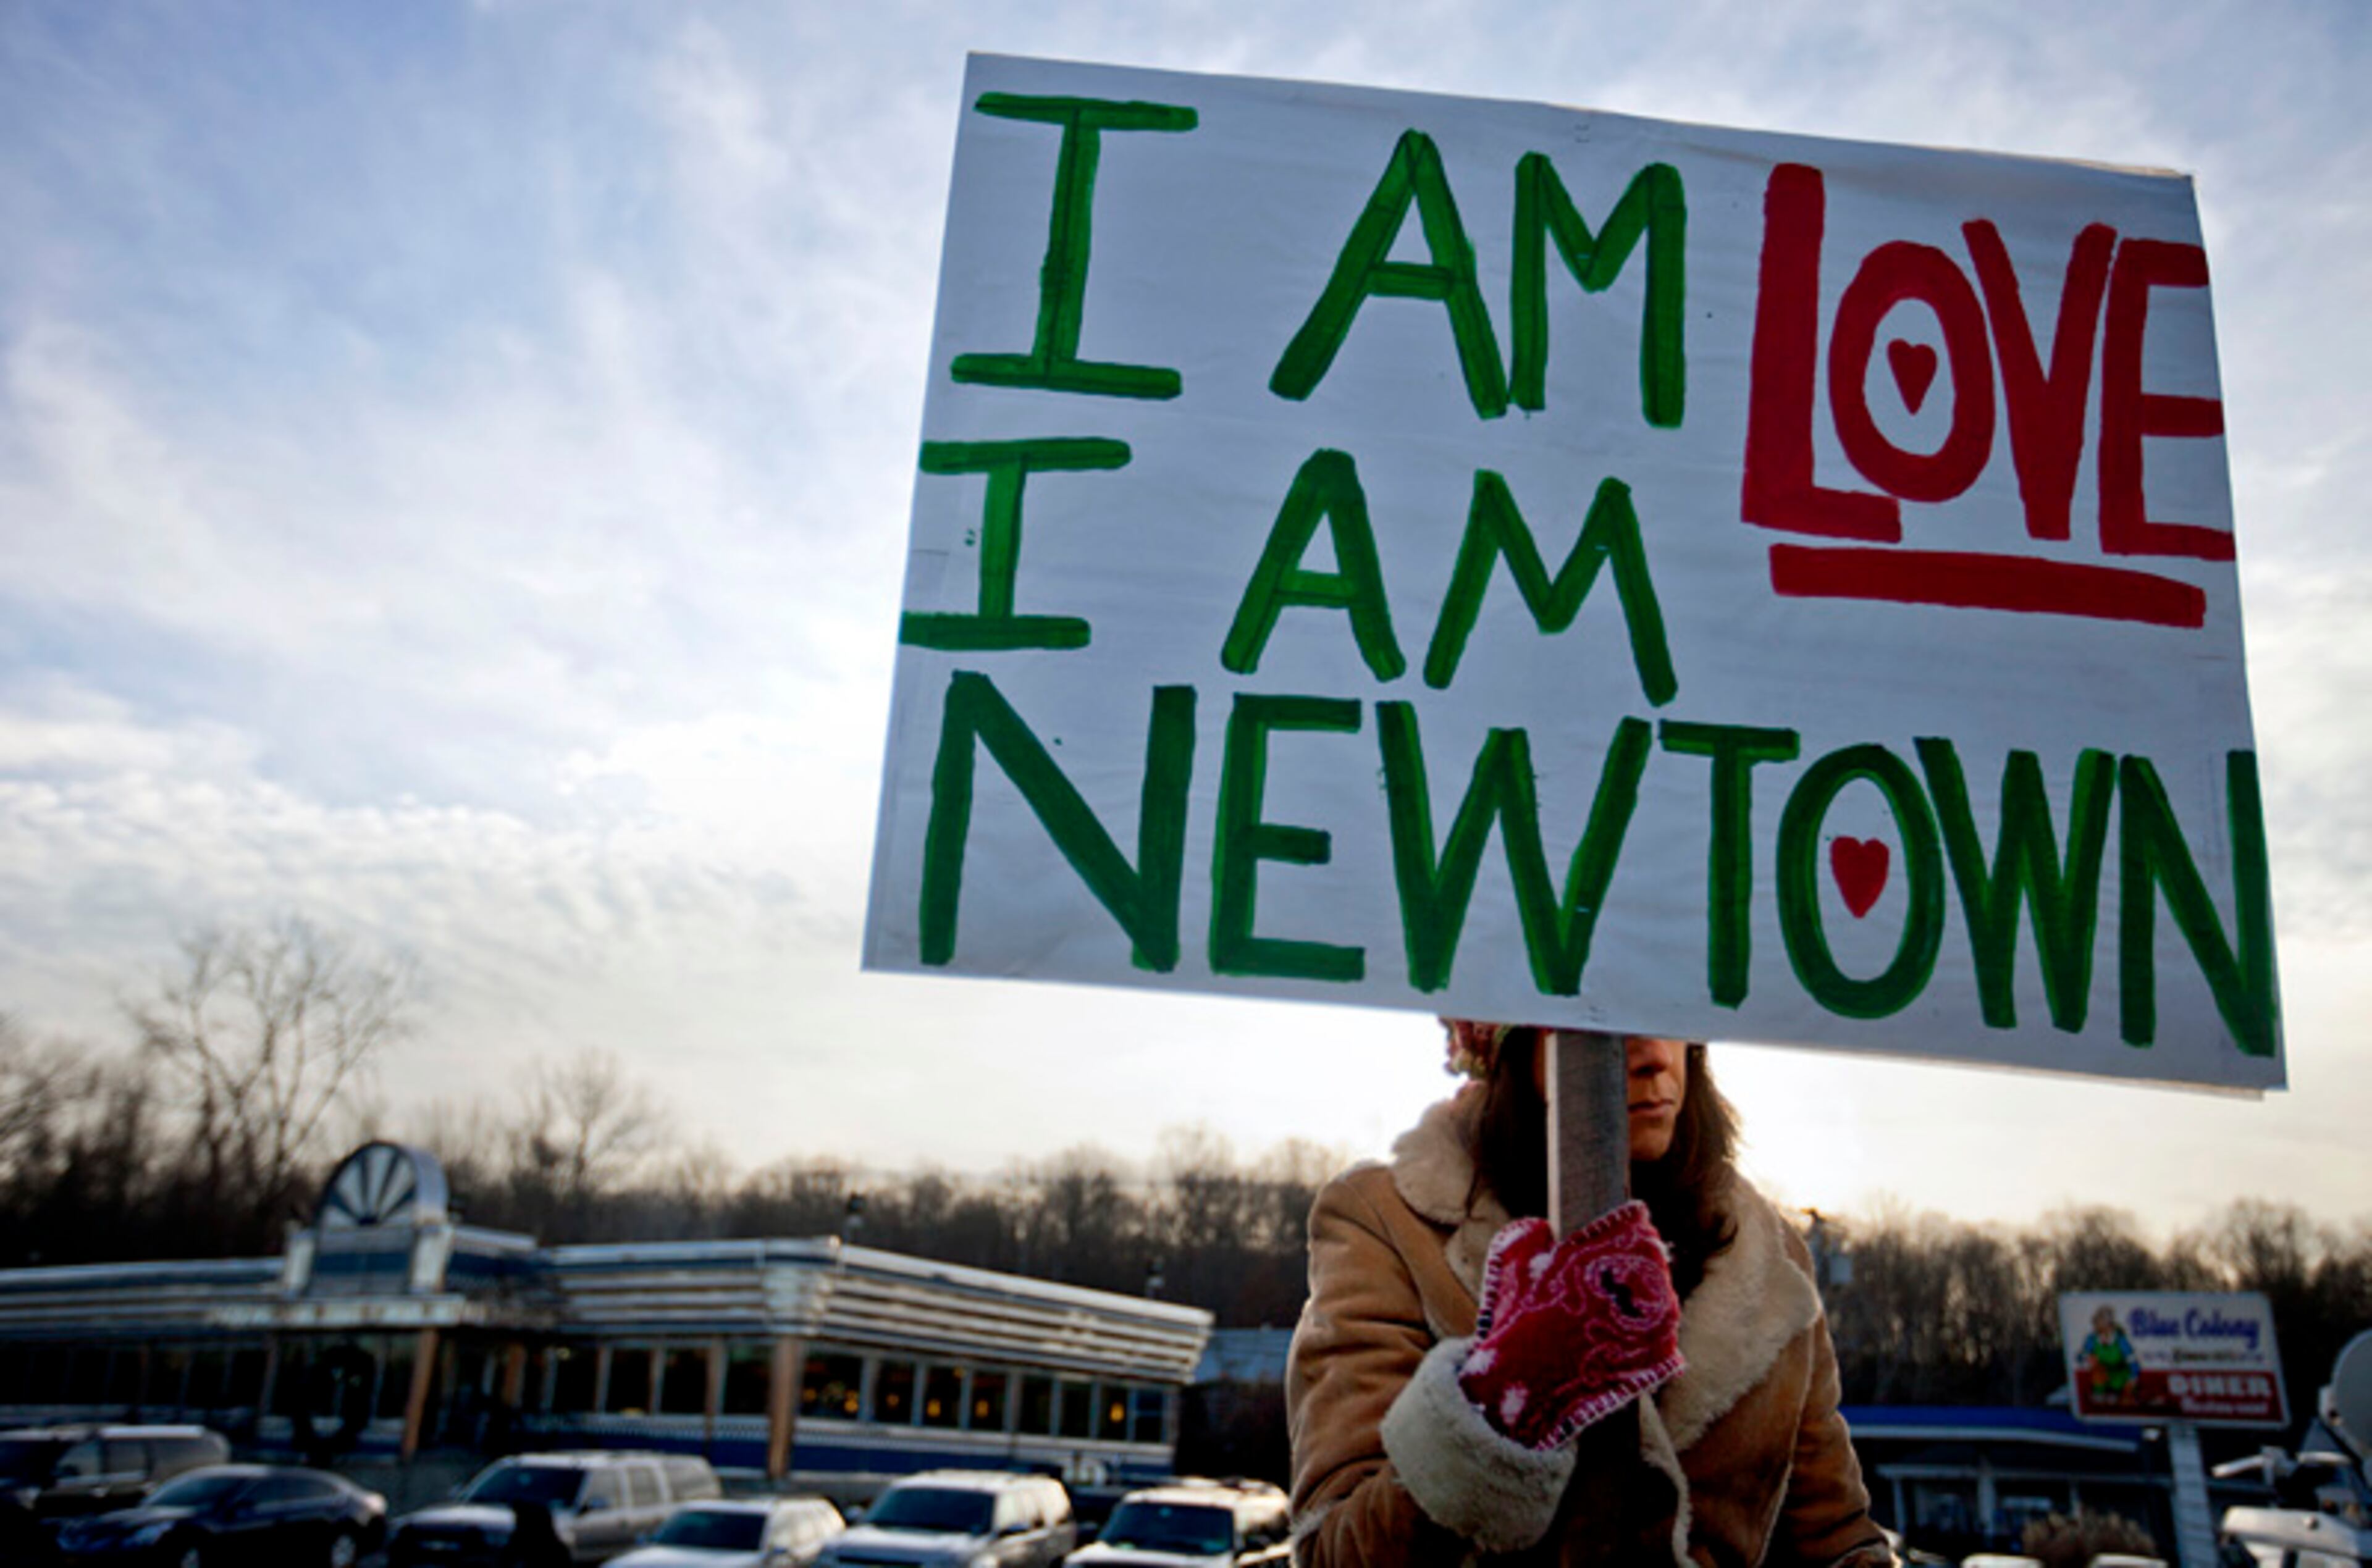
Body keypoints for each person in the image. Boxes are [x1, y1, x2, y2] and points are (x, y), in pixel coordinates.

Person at [1286, 1022, 1891, 1566]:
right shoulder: (1388, 1222)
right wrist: (1496, 1411)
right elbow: (1331, 1551)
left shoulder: (1769, 1254)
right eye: (1595, 1028)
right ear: (1510, 1050)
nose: (1651, 1055)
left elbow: (1836, 1540)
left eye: (1670, 1012)